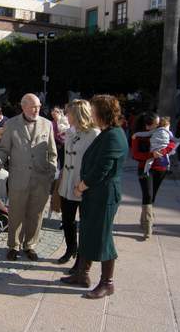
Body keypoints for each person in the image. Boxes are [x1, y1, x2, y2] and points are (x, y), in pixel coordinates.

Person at [60, 95, 128, 299]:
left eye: (94, 109)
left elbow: (102, 169)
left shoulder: (114, 135)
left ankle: (107, 283)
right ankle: (82, 274)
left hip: (103, 195)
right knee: (88, 233)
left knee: (103, 239)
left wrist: (81, 186)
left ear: (102, 113)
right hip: (95, 194)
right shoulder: (107, 132)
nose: (91, 113)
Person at [0, 93, 57, 261]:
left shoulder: (47, 124)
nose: (37, 109)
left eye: (39, 106)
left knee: (36, 214)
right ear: (23, 106)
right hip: (18, 178)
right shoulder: (11, 124)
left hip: (40, 179)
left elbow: (52, 152)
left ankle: (30, 245)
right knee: (16, 214)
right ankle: (13, 245)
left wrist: (50, 174)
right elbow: (3, 149)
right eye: (33, 106)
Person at [57, 100, 99, 266]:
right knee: (67, 220)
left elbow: (95, 162)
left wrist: (84, 184)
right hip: (67, 183)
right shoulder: (69, 131)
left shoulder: (94, 134)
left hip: (83, 186)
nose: (66, 116)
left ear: (78, 114)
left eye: (69, 113)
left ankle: (82, 259)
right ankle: (70, 249)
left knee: (85, 224)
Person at [131, 112, 175, 239]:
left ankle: (144, 218)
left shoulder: (162, 131)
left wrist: (163, 150)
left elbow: (171, 143)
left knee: (152, 195)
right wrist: (151, 155)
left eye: (159, 123)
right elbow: (136, 155)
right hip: (145, 169)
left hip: (161, 168)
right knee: (148, 194)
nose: (159, 125)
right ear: (147, 126)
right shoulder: (138, 137)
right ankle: (148, 226)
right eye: (156, 124)